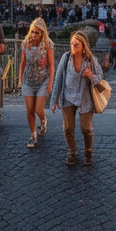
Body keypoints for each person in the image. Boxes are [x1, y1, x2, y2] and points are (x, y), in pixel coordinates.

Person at [50, 31, 104, 166]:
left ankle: (88, 151)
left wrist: (91, 75)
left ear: (83, 46)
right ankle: (72, 151)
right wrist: (54, 99)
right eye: (72, 43)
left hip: (85, 98)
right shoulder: (65, 58)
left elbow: (100, 80)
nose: (73, 45)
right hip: (67, 97)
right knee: (68, 128)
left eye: (77, 44)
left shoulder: (91, 60)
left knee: (86, 128)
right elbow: (58, 79)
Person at [18, 18, 55, 149]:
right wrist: (20, 79)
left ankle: (43, 120)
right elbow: (22, 62)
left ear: (42, 34)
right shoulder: (25, 43)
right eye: (32, 32)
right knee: (29, 110)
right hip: (28, 80)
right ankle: (33, 135)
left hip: (42, 80)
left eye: (37, 33)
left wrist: (51, 82)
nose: (34, 35)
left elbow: (51, 65)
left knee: (38, 109)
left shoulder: (48, 44)